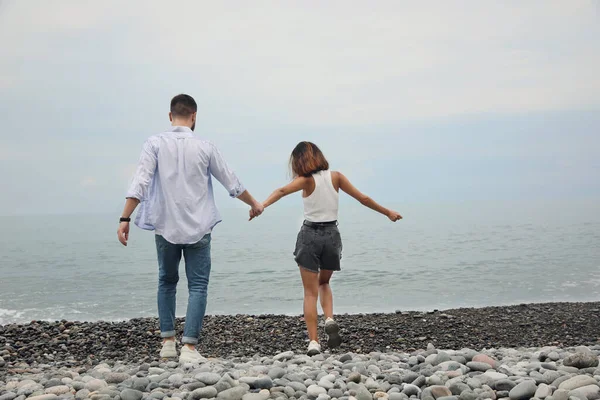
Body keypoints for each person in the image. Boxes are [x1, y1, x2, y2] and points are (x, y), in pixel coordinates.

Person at [117, 94, 264, 363]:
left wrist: (125, 218)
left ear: (170, 116)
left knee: (166, 281)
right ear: (194, 116)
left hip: (165, 226)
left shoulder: (155, 143)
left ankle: (167, 343)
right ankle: (190, 348)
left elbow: (141, 181)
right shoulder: (206, 147)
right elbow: (231, 182)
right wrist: (253, 203)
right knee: (198, 285)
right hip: (199, 227)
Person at [256, 141, 402, 355]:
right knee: (324, 282)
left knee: (309, 292)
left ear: (299, 161)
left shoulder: (305, 181)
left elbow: (281, 190)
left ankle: (314, 342)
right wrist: (387, 212)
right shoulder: (336, 177)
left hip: (309, 236)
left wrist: (262, 205)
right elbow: (363, 198)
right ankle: (330, 318)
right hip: (332, 236)